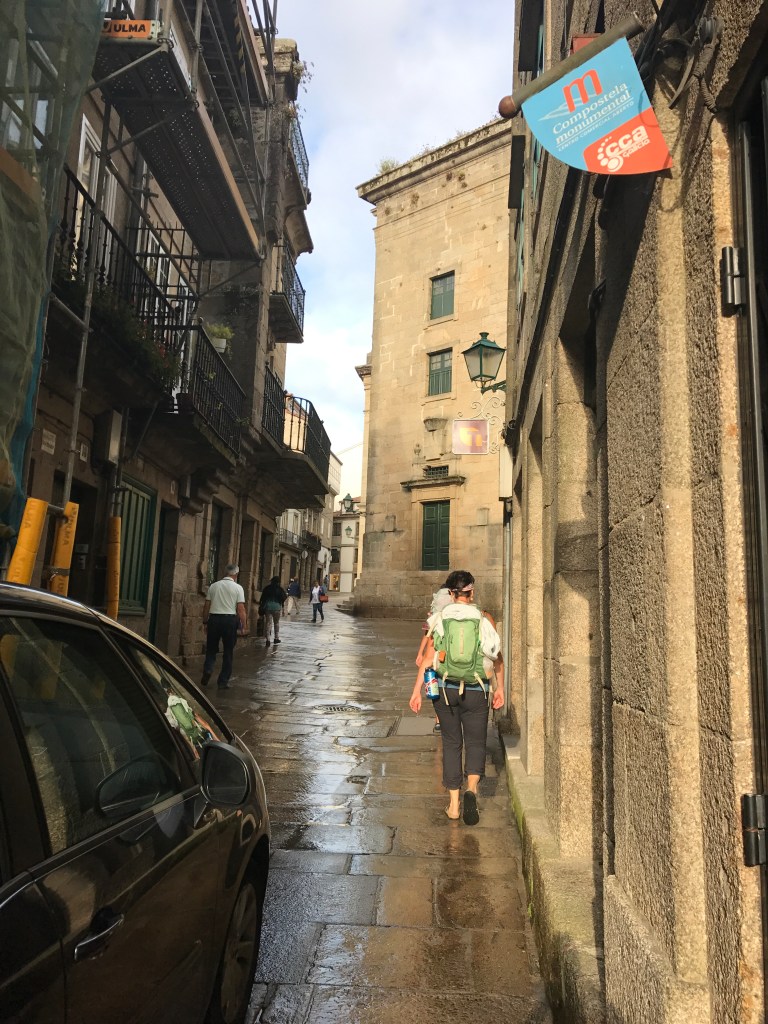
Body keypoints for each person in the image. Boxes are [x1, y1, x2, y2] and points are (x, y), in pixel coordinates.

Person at [409, 569, 504, 825]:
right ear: (471, 593)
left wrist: (416, 691)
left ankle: (453, 806)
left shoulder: (440, 618)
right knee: (476, 742)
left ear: (451, 594)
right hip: (477, 689)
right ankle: (471, 789)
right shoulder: (484, 618)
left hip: (445, 690)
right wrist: (500, 689)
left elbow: (428, 659)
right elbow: (496, 657)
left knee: (451, 743)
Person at [201, 564, 247, 690]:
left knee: (211, 648)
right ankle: (223, 681)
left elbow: (207, 605)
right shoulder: (238, 588)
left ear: (225, 573)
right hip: (229, 620)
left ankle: (208, 669)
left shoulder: (214, 586)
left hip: (214, 619)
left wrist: (205, 622)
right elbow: (241, 609)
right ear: (236, 574)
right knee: (228, 651)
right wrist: (243, 625)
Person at [415, 583, 453, 734]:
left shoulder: (435, 614)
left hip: (437, 656)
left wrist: (421, 653)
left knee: (436, 684)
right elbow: (428, 634)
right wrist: (421, 653)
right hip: (448, 658)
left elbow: (427, 634)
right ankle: (440, 719)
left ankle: (439, 720)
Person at [259, 575, 286, 646]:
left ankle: (268, 639)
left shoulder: (267, 588)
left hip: (268, 607)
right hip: (277, 608)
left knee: (268, 623)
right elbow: (284, 598)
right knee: (276, 623)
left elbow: (262, 598)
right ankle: (276, 638)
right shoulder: (280, 589)